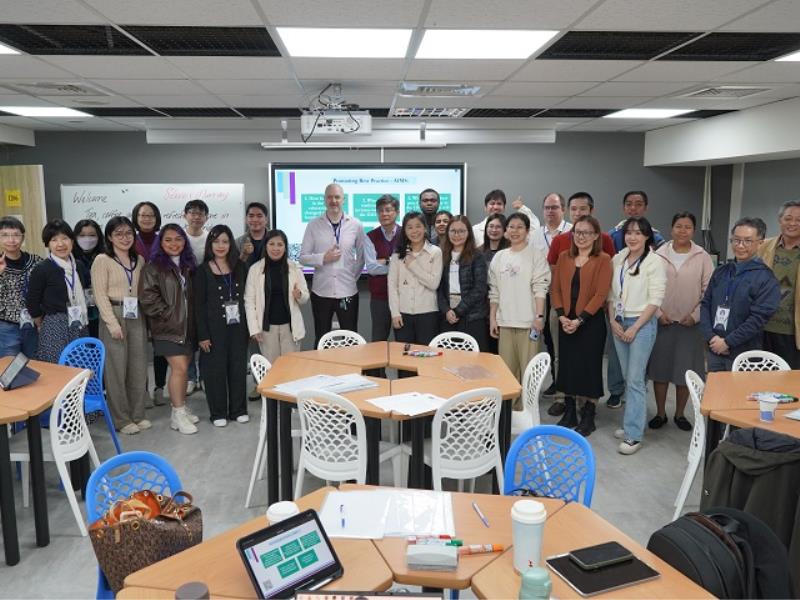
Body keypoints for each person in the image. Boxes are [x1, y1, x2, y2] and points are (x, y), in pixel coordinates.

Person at [647, 212, 713, 431]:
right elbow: (648, 287)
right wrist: (658, 313)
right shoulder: (658, 254)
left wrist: (695, 316)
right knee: (660, 371)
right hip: (662, 322)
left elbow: (709, 292)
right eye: (678, 226)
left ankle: (680, 414)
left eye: (687, 227)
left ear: (693, 230)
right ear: (671, 228)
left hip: (690, 324)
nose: (682, 230)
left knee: (685, 371)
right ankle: (660, 413)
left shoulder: (702, 256)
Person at [607, 217, 666, 455]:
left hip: (641, 324)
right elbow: (611, 295)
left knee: (634, 380)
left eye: (638, 233)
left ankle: (633, 435)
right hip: (619, 321)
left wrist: (635, 327)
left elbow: (655, 300)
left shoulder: (654, 262)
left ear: (647, 236)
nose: (632, 237)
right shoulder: (618, 258)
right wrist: (613, 321)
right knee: (627, 377)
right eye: (629, 232)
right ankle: (633, 421)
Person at [551, 216, 612, 436]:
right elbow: (555, 290)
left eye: (587, 232)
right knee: (567, 367)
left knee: (589, 368)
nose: (581, 236)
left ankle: (588, 414)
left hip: (590, 323)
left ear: (596, 236)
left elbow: (601, 294)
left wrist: (580, 320)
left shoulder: (603, 259)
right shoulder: (563, 257)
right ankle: (569, 412)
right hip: (566, 320)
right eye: (577, 232)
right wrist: (562, 317)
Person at [139, 224, 199, 435]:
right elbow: (148, 299)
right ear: (160, 243)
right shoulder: (153, 267)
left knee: (182, 369)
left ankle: (178, 409)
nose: (174, 244)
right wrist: (169, 316)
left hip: (187, 327)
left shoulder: (188, 265)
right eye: (168, 239)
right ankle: (178, 414)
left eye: (178, 239)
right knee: (180, 369)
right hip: (167, 328)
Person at [91, 216, 148, 435]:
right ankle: (121, 420)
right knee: (116, 370)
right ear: (109, 237)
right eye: (119, 234)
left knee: (138, 367)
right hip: (114, 313)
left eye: (128, 233)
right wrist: (112, 323)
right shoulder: (102, 260)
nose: (125, 238)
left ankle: (138, 415)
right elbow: (99, 295)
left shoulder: (139, 259)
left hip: (135, 313)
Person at [700, 218, 781, 372]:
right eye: (736, 240)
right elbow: (705, 304)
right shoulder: (721, 272)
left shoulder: (766, 278)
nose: (740, 245)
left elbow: (758, 319)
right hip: (714, 348)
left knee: (740, 389)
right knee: (715, 387)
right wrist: (711, 337)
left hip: (744, 354)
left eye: (747, 241)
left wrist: (728, 342)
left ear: (760, 243)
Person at [488, 212, 550, 406]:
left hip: (528, 323)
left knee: (528, 371)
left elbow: (540, 287)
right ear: (506, 231)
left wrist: (539, 316)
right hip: (505, 322)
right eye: (511, 227)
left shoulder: (535, 255)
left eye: (520, 227)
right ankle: (510, 412)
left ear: (527, 230)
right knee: (507, 372)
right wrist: (493, 318)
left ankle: (528, 410)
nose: (515, 231)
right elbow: (494, 291)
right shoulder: (500, 257)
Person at [299, 183, 367, 346]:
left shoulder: (356, 224)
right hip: (321, 292)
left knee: (351, 338)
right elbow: (303, 258)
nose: (333, 201)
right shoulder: (313, 225)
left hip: (347, 293)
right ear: (324, 200)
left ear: (343, 199)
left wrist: (351, 278)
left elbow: (362, 257)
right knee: (321, 338)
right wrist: (323, 258)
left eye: (337, 197)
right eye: (330, 197)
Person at [195, 225, 249, 427]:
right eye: (216, 241)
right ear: (210, 244)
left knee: (237, 368)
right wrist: (202, 335)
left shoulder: (240, 266)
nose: (220, 246)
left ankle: (238, 410)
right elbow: (198, 306)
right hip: (213, 329)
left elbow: (248, 298)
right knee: (215, 371)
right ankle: (218, 412)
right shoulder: (202, 270)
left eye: (225, 241)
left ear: (231, 244)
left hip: (238, 327)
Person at [26, 220, 90, 363]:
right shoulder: (42, 269)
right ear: (48, 244)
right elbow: (32, 301)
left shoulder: (78, 266)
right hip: (55, 325)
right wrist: (40, 323)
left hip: (79, 321)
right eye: (54, 240)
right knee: (57, 366)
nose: (60, 244)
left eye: (64, 238)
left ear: (72, 241)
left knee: (80, 365)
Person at [530, 193, 571, 410]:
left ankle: (563, 393)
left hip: (562, 296)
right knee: (545, 340)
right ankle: (555, 382)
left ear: (563, 209)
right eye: (547, 207)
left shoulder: (573, 232)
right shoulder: (535, 235)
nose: (550, 211)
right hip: (539, 294)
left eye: (554, 207)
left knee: (560, 344)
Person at [244, 229, 310, 363]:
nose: (276, 248)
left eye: (280, 244)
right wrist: (254, 328)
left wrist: (299, 295)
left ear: (285, 247)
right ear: (265, 246)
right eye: (271, 244)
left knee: (291, 367)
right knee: (271, 367)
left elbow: (305, 297)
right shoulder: (255, 269)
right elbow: (249, 301)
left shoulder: (294, 268)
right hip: (266, 329)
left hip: (290, 328)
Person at [132, 200, 168, 407]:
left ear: (157, 218)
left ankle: (159, 387)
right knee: (139, 349)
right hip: (135, 302)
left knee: (160, 346)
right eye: (142, 215)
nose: (147, 219)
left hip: (159, 300)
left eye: (151, 215)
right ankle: (143, 390)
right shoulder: (130, 240)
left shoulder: (163, 240)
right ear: (136, 218)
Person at [388, 212, 443, 345]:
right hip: (403, 313)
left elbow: (433, 283)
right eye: (410, 227)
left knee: (426, 354)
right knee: (403, 354)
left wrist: (413, 265)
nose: (414, 231)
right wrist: (395, 313)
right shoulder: (397, 255)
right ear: (404, 230)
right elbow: (392, 286)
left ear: (425, 228)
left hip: (428, 313)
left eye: (418, 226)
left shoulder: (435, 252)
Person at [757, 199, 800, 369]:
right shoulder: (762, 247)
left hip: (793, 333)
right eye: (788, 218)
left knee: (790, 381)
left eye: (798, 220)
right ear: (780, 220)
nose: (793, 223)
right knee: (758, 377)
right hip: (761, 327)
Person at [437, 216, 488, 350]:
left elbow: (480, 289)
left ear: (468, 233)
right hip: (448, 316)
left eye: (461, 231)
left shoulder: (477, 256)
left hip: (472, 317)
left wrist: (458, 310)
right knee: (448, 358)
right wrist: (446, 310)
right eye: (453, 231)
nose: (457, 235)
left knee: (473, 358)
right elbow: (438, 288)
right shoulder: (442, 255)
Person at [0, 216, 42, 358]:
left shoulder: (36, 262)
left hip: (33, 324)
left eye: (16, 235)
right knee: (10, 368)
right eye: (5, 235)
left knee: (36, 366)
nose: (11, 240)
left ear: (23, 237)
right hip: (6, 328)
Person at [364, 194, 400, 342]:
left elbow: (409, 266)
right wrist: (396, 264)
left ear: (397, 212)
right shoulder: (370, 236)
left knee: (404, 340)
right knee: (378, 340)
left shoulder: (407, 234)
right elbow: (372, 268)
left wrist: (386, 261)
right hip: (380, 297)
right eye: (380, 211)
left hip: (403, 297)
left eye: (388, 210)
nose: (384, 214)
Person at [183, 198, 209, 396]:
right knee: (189, 335)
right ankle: (191, 377)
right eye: (192, 213)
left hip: (205, 290)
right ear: (185, 215)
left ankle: (204, 376)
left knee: (205, 333)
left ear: (206, 217)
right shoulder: (179, 237)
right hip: (184, 292)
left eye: (200, 213)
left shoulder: (210, 238)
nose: (196, 217)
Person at [72, 219, 105, 338]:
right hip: (77, 311)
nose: (87, 239)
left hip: (102, 310)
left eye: (92, 235)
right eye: (82, 235)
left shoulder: (106, 256)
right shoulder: (69, 258)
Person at [472, 189, 540, 243]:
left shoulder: (513, 228)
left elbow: (535, 231)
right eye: (492, 203)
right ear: (485, 208)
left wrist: (522, 208)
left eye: (499, 204)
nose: (495, 207)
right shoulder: (475, 230)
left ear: (504, 208)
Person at [236, 202, 269, 269]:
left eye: (259, 216)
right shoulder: (237, 243)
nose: (255, 220)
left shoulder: (276, 240)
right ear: (246, 219)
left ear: (266, 219)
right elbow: (235, 269)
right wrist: (244, 255)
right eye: (251, 216)